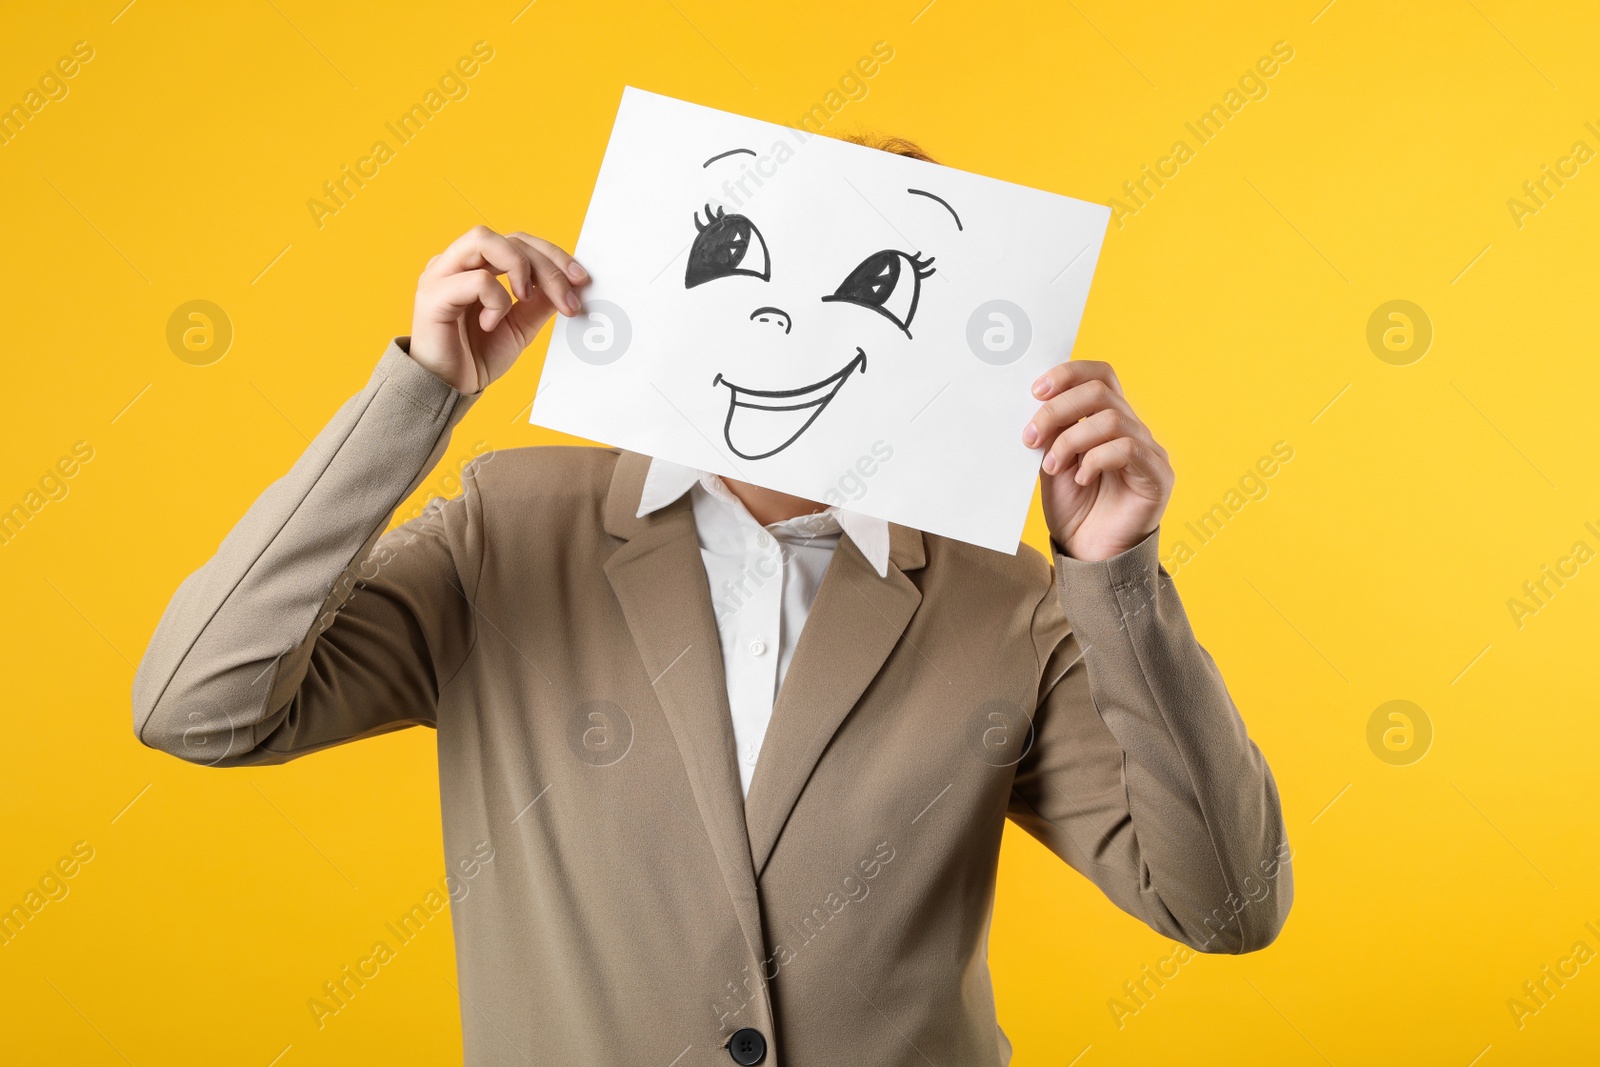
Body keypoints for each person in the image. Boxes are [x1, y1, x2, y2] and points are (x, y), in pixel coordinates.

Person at [133, 137, 1290, 1067]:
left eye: (883, 287)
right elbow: (198, 703)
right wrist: (417, 395)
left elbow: (1228, 904)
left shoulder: (1010, 601)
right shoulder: (511, 529)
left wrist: (1116, 574)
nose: (795, 320)